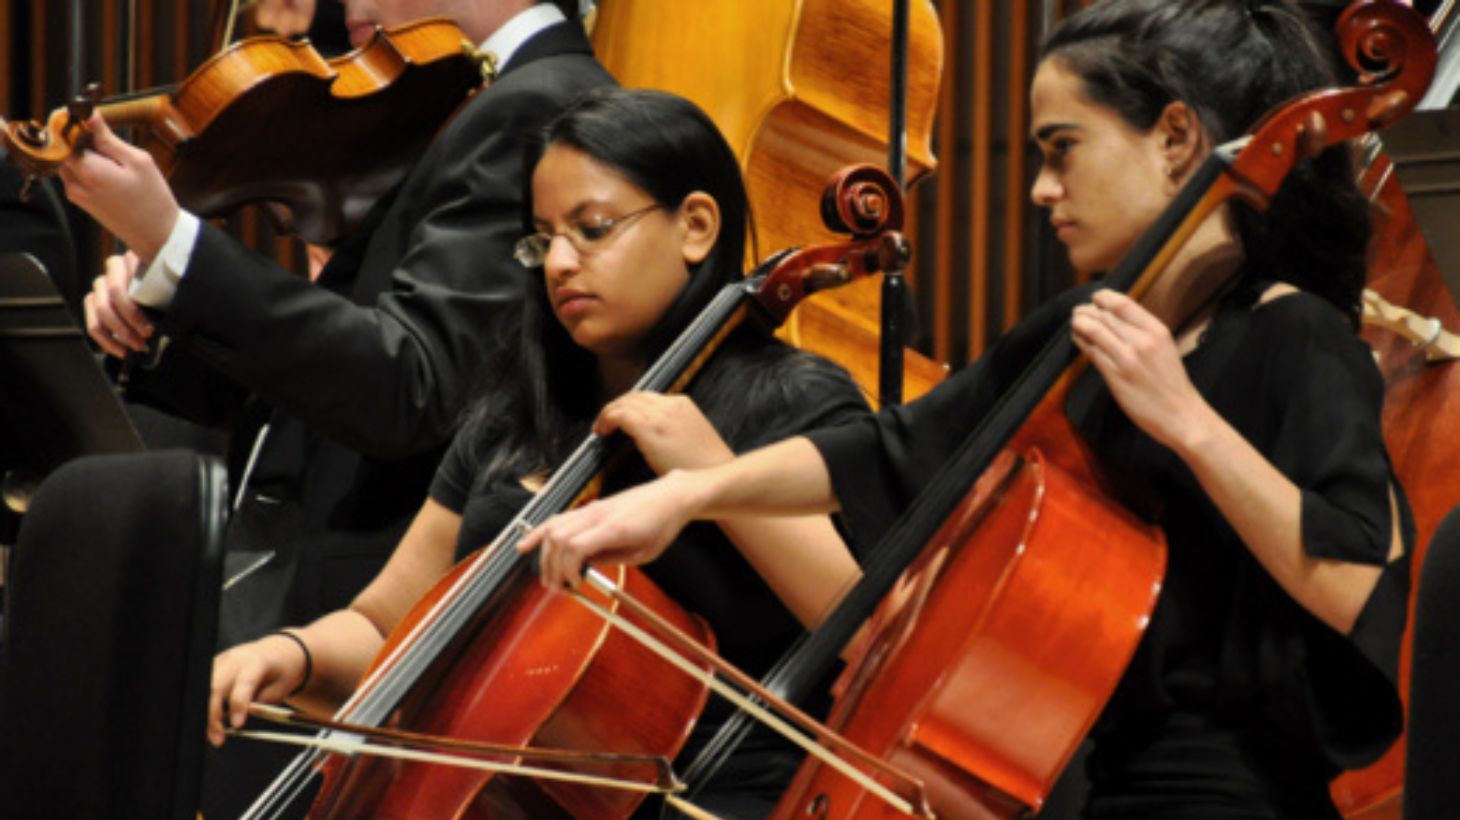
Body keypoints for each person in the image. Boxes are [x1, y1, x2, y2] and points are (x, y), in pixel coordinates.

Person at [520, 2, 1413, 817]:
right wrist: (685, 495)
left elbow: (1358, 587)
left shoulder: (1294, 335)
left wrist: (1188, 421)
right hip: (1096, 788)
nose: (1040, 190)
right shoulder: (1083, 329)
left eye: (1063, 149)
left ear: (1176, 137)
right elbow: (887, 449)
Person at [208, 87, 872, 816]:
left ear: (696, 226)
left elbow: (865, 628)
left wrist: (706, 470)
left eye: (591, 229)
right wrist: (289, 655)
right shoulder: (514, 415)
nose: (558, 262)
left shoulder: (796, 400)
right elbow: (386, 628)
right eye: (541, 237)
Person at [57, 0, 614, 813]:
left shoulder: (537, 101)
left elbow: (411, 386)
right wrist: (160, 304)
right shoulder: (459, 95)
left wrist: (179, 242)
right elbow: (333, 351)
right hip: (307, 582)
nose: (347, 3)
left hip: (371, 597)